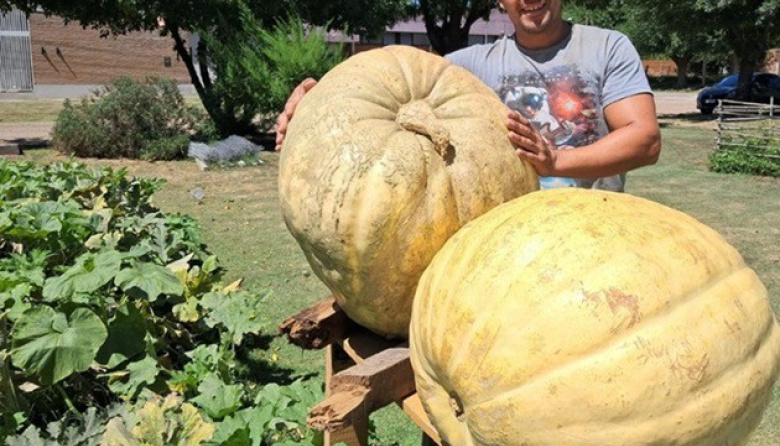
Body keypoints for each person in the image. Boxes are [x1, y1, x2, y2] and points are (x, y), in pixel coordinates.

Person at [275, 0, 661, 191]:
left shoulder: (607, 47)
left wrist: (556, 160)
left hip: (596, 235)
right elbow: (392, 76)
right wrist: (317, 93)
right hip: (502, 243)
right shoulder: (472, 64)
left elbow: (645, 141)